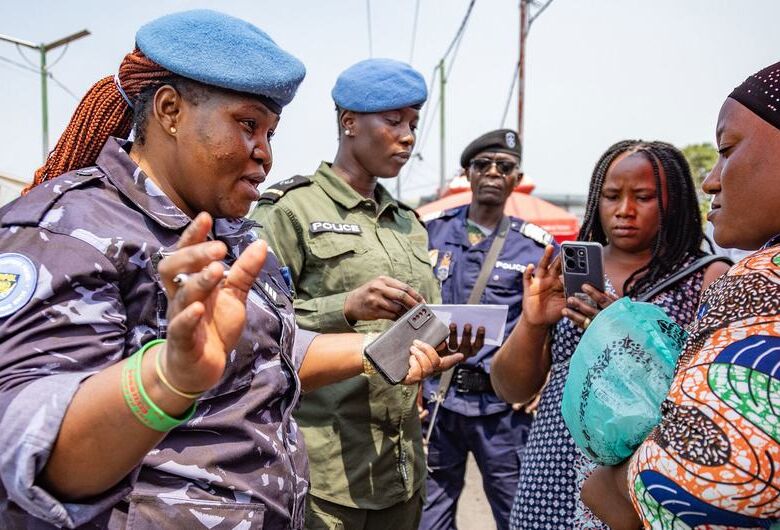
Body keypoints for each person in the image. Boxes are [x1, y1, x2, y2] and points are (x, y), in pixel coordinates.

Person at [0, 12, 461, 529]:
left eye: (271, 132)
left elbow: (270, 350)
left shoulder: (230, 230)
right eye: (247, 125)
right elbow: (28, 448)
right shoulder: (67, 231)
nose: (264, 153)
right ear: (170, 110)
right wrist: (169, 379)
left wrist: (385, 352)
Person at [251, 58, 464, 530]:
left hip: (401, 466)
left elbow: (423, 322)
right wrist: (343, 307)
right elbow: (253, 329)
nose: (408, 136)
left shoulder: (409, 222)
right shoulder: (291, 211)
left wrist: (450, 342)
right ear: (349, 122)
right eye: (393, 121)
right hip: (325, 469)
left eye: (413, 123)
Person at [490, 139, 730, 529]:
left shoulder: (704, 276)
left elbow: (702, 393)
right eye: (612, 196)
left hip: (641, 472)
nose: (624, 211)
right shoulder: (569, 273)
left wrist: (617, 332)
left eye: (643, 197)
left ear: (674, 202)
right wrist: (532, 322)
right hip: (554, 464)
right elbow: (511, 389)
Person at [583, 62, 780, 530]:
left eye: (727, 150)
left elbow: (707, 487)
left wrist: (605, 488)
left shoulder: (747, 281)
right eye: (611, 195)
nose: (711, 180)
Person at [420, 129, 554, 530]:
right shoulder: (430, 233)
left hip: (502, 410)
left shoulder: (537, 249)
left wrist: (544, 382)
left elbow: (555, 322)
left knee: (518, 518)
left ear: (517, 177)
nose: (493, 172)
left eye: (505, 166)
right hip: (437, 404)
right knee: (429, 520)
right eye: (483, 165)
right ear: (468, 175)